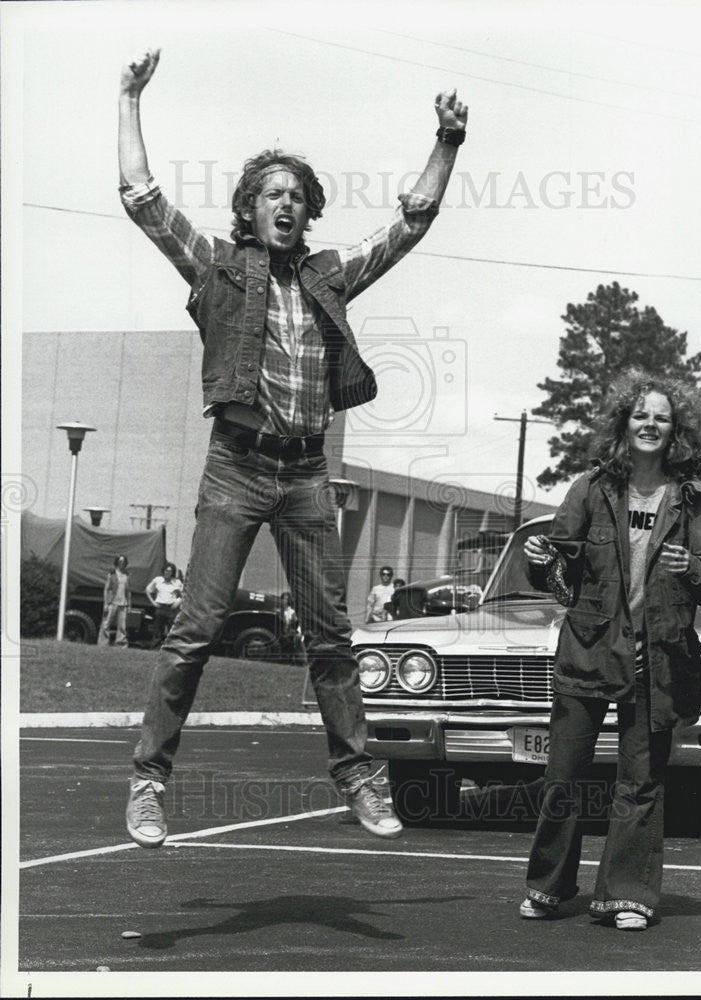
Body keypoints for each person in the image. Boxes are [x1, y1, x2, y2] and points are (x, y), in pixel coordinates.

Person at [118, 47, 468, 848]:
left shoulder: (327, 279)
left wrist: (445, 146)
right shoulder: (218, 268)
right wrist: (129, 99)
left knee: (332, 638)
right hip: (236, 470)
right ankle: (147, 783)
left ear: (309, 214)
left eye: (297, 196)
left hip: (308, 474)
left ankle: (361, 781)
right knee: (195, 630)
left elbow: (407, 227)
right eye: (271, 193)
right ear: (249, 209)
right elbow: (142, 200)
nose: (285, 203)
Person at [520, 370, 701, 931]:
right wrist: (541, 557)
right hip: (588, 649)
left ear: (676, 430)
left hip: (658, 659)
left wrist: (697, 567)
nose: (650, 424)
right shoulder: (591, 488)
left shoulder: (694, 499)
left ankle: (627, 895)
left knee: (639, 783)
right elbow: (555, 564)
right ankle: (547, 887)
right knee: (563, 776)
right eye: (641, 415)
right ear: (624, 423)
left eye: (661, 417)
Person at [145, 562, 183, 648]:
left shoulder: (177, 582)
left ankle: (170, 647)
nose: (168, 573)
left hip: (171, 608)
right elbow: (147, 590)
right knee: (158, 628)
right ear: (163, 571)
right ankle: (155, 647)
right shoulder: (158, 580)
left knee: (171, 629)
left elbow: (183, 594)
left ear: (172, 572)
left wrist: (177, 603)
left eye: (170, 571)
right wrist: (153, 602)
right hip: (160, 607)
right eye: (166, 570)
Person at [98, 555, 131, 648]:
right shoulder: (111, 574)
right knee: (106, 624)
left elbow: (128, 591)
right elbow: (106, 589)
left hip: (123, 603)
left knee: (122, 626)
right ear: (117, 562)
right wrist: (105, 603)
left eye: (123, 561)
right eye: (120, 561)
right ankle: (103, 644)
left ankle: (121, 644)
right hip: (112, 603)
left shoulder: (126, 575)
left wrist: (129, 605)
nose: (122, 563)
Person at [279, 590, 305, 664]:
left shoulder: (291, 612)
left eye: (286, 599)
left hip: (289, 632)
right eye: (283, 599)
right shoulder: (278, 611)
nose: (284, 601)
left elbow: (296, 624)